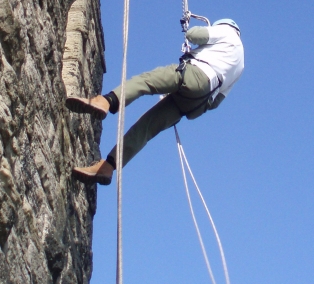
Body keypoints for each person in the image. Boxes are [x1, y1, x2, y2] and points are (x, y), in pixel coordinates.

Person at [66, 19, 244, 185]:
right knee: (145, 129)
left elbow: (194, 35)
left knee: (146, 81)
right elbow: (217, 102)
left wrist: (190, 26)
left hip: (195, 75)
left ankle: (105, 101)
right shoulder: (240, 65)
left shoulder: (226, 32)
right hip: (197, 103)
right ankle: (107, 167)